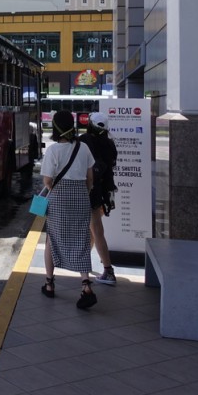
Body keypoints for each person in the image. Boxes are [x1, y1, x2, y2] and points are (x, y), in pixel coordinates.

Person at [39, 110, 98, 309]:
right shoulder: (84, 148)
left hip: (59, 199)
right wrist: (83, 192)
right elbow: (90, 179)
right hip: (81, 197)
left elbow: (47, 181)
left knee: (52, 239)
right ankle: (86, 285)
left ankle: (49, 283)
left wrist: (57, 190)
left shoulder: (54, 150)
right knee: (81, 239)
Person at [79, 111, 119, 285]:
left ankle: (108, 271)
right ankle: (84, 263)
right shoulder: (110, 144)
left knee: (96, 230)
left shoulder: (83, 141)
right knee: (93, 229)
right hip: (104, 191)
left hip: (89, 190)